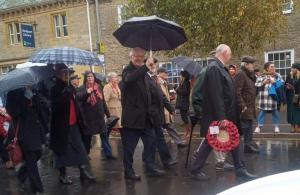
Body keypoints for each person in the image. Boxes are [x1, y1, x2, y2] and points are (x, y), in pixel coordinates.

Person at [191, 44, 256, 180]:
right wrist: (221, 117)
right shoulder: (214, 68)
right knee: (211, 140)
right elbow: (216, 94)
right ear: (225, 53)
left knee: (234, 138)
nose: (231, 56)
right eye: (230, 53)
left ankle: (240, 168)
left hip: (226, 115)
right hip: (219, 117)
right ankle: (196, 169)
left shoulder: (219, 67)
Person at [121, 47, 165, 181]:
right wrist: (145, 67)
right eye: (136, 56)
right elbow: (129, 80)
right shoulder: (127, 71)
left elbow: (149, 92)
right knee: (129, 148)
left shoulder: (145, 74)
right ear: (131, 57)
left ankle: (150, 167)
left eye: (142, 56)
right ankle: (128, 171)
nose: (139, 58)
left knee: (151, 143)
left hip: (146, 118)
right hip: (133, 119)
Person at [50, 65, 95, 185]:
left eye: (67, 73)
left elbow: (77, 104)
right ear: (58, 74)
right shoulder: (54, 89)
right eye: (63, 73)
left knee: (79, 148)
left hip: (74, 123)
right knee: (62, 151)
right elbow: (54, 107)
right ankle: (63, 175)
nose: (66, 75)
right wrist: (64, 95)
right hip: (61, 126)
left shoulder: (71, 88)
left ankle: (83, 172)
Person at [6, 87, 46, 194]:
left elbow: (39, 109)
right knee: (32, 161)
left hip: (36, 130)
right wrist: (24, 98)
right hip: (24, 132)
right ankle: (38, 188)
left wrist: (33, 97)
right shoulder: (12, 93)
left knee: (38, 154)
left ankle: (22, 173)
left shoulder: (33, 90)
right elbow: (12, 111)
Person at [144, 62, 177, 169]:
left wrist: (170, 108)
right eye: (151, 66)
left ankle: (166, 161)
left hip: (157, 115)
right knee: (152, 139)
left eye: (154, 66)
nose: (154, 68)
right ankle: (149, 163)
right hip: (149, 115)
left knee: (159, 138)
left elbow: (162, 96)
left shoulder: (155, 80)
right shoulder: (144, 78)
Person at [77, 71, 115, 160]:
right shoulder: (81, 88)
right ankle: (85, 154)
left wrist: (107, 113)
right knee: (87, 137)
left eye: (92, 76)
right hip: (88, 117)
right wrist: (88, 92)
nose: (90, 78)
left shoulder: (98, 87)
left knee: (104, 135)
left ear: (94, 78)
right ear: (85, 78)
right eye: (88, 77)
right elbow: (79, 98)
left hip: (99, 116)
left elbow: (103, 101)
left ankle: (108, 154)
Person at [234, 56, 260, 153]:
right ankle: (237, 147)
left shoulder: (248, 74)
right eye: (251, 64)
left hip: (249, 105)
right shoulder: (241, 74)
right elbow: (237, 91)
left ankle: (248, 145)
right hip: (244, 107)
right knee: (244, 127)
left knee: (249, 126)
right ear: (246, 65)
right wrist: (242, 105)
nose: (253, 65)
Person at [157, 67, 187, 147]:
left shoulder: (166, 83)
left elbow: (170, 95)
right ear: (160, 73)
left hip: (166, 109)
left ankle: (179, 142)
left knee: (169, 126)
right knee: (158, 129)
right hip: (159, 110)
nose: (167, 74)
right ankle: (157, 145)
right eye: (165, 72)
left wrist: (171, 96)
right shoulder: (157, 82)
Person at [254, 62, 284, 133]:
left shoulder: (277, 75)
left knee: (275, 112)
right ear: (267, 68)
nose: (274, 68)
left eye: (274, 66)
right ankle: (259, 126)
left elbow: (282, 84)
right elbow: (256, 85)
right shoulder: (261, 76)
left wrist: (274, 82)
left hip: (274, 97)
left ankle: (276, 126)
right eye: (271, 67)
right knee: (262, 112)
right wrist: (263, 82)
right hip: (264, 98)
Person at [175, 70, 191, 143]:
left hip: (184, 103)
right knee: (184, 117)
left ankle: (188, 132)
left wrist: (176, 89)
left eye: (181, 75)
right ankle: (187, 131)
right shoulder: (182, 83)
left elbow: (185, 93)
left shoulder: (186, 83)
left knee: (185, 118)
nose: (180, 76)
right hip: (181, 103)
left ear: (184, 76)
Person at [285, 63, 300, 132]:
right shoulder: (289, 76)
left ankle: (297, 126)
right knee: (290, 111)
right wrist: (287, 87)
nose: (292, 69)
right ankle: (292, 126)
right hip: (290, 96)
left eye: (294, 68)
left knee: (297, 111)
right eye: (292, 68)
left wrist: (294, 86)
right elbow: (285, 85)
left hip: (298, 96)